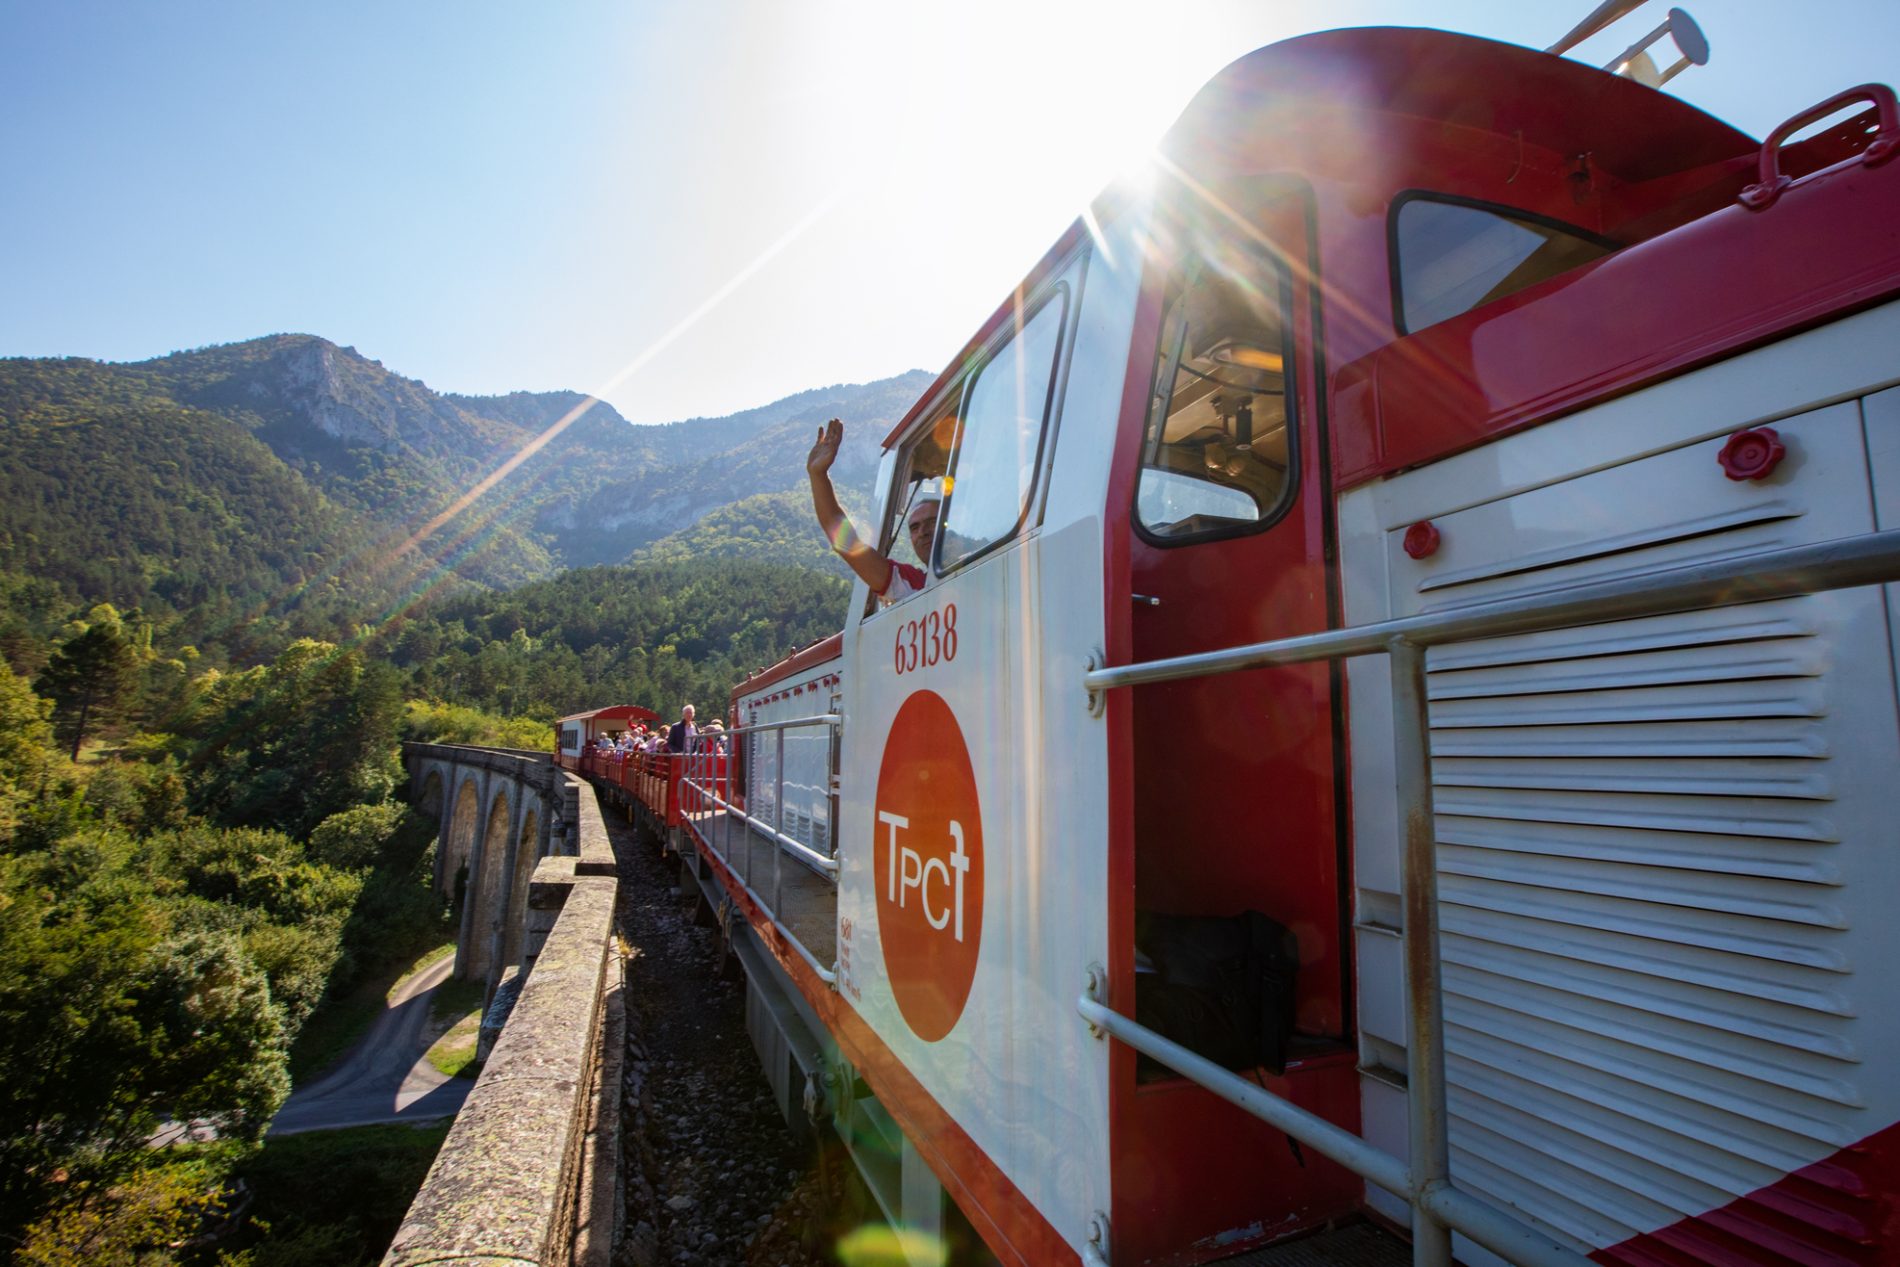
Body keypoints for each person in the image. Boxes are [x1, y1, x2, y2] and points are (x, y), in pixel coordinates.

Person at [807, 417, 934, 606]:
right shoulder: (909, 585)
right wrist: (818, 475)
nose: (922, 532)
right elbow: (847, 543)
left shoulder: (982, 558)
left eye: (932, 522)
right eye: (914, 527)